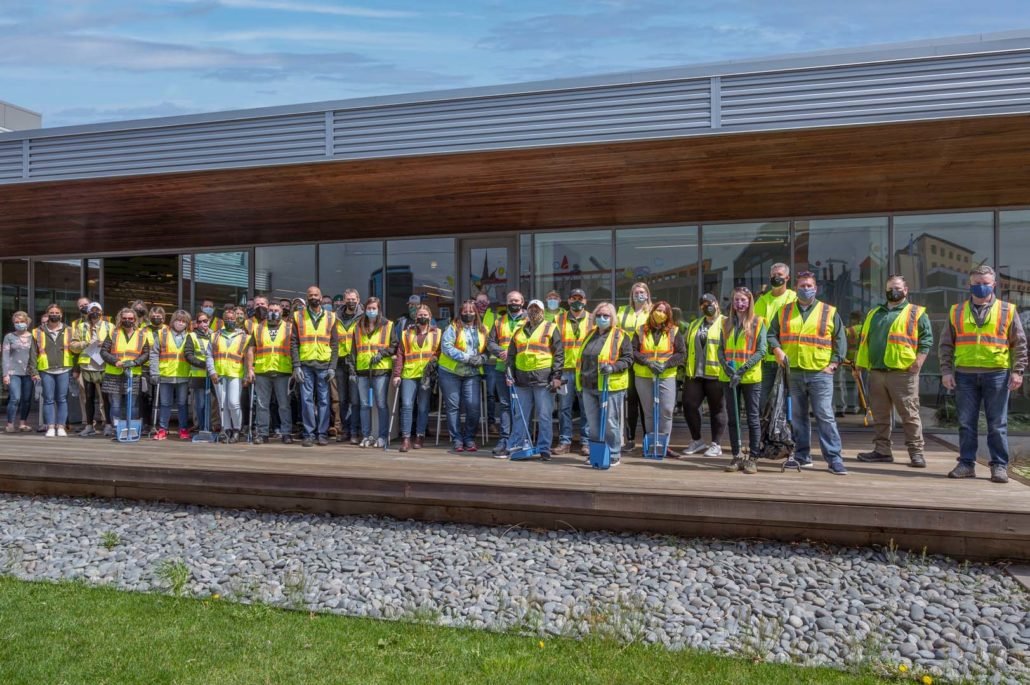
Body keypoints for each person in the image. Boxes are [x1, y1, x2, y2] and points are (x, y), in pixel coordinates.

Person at [940, 265, 1027, 483]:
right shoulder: (956, 311)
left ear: (994, 284)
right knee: (966, 423)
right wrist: (946, 371)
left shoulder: (1007, 310)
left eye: (986, 283)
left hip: (996, 374)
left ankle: (999, 466)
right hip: (964, 375)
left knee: (997, 424)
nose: (981, 287)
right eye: (977, 283)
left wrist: (1017, 371)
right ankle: (966, 464)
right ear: (969, 284)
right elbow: (946, 345)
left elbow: (1020, 344)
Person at [768, 271, 848, 475]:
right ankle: (802, 456)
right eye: (802, 285)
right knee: (797, 417)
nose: (806, 289)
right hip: (793, 372)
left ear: (816, 288)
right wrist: (776, 348)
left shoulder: (828, 311)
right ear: (796, 288)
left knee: (825, 416)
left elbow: (840, 339)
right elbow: (770, 334)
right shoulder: (784, 311)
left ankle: (834, 459)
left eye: (809, 285)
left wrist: (834, 364)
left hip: (820, 373)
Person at [853, 275, 933, 468]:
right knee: (880, 415)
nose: (892, 291)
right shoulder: (874, 313)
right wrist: (859, 364)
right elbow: (864, 341)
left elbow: (927, 340)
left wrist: (918, 363)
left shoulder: (916, 313)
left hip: (903, 372)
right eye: (889, 288)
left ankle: (916, 453)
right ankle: (882, 451)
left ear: (905, 290)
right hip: (877, 372)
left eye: (897, 288)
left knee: (909, 414)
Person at [505, 299, 563, 460]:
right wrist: (509, 372)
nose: (533, 311)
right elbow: (511, 354)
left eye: (537, 309)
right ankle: (518, 444)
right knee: (521, 415)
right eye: (531, 308)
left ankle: (544, 448)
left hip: (543, 379)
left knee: (544, 415)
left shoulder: (551, 328)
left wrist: (556, 376)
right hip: (522, 378)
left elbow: (559, 353)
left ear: (543, 312)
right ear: (527, 311)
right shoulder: (519, 330)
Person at [576, 302, 632, 467]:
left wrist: (613, 367)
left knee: (610, 422)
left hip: (610, 386)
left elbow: (628, 358)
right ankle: (596, 452)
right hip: (588, 384)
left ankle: (613, 454)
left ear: (612, 318)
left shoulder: (621, 336)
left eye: (606, 316)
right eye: (599, 315)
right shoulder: (589, 334)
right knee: (593, 424)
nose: (602, 318)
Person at [718, 287, 767, 473]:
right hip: (729, 377)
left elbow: (762, 350)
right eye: (737, 300)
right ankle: (736, 455)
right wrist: (727, 368)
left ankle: (753, 457)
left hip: (750, 377)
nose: (740, 303)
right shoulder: (725, 323)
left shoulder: (758, 322)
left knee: (753, 418)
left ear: (750, 302)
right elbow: (720, 349)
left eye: (743, 300)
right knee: (733, 418)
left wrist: (743, 369)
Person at [631, 300, 685, 456]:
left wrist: (666, 365)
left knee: (667, 410)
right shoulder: (640, 330)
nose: (660, 313)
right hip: (644, 375)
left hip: (666, 375)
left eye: (664, 311)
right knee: (649, 412)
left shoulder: (674, 331)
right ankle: (652, 444)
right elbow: (633, 351)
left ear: (668, 315)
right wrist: (647, 362)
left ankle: (664, 445)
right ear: (652, 311)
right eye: (658, 310)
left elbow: (681, 353)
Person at [291, 286, 339, 447]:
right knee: (306, 400)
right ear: (307, 297)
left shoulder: (331, 317)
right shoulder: (298, 316)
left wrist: (332, 366)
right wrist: (296, 366)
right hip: (305, 365)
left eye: (316, 295)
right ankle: (309, 434)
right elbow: (294, 343)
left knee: (324, 400)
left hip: (324, 365)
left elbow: (334, 344)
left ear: (321, 296)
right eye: (310, 295)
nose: (313, 297)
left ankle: (322, 433)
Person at [681, 293, 727, 458]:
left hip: (716, 373)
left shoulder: (726, 322)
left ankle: (716, 444)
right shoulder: (694, 324)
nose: (707, 306)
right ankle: (697, 440)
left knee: (717, 409)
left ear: (717, 303)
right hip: (695, 373)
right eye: (703, 304)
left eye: (710, 302)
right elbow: (686, 345)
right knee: (688, 404)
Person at [439, 299, 488, 452]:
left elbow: (489, 347)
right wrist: (467, 358)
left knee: (473, 407)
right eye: (465, 311)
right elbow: (446, 347)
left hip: (472, 373)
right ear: (460, 312)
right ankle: (457, 439)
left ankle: (469, 438)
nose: (468, 314)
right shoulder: (452, 327)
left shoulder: (483, 329)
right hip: (450, 372)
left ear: (476, 313)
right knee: (453, 407)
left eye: (471, 311)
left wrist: (483, 358)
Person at [391, 304, 440, 452]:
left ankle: (420, 435)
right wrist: (397, 375)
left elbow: (439, 352)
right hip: (409, 374)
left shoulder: (437, 333)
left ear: (430, 317)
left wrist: (433, 362)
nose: (422, 317)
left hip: (426, 375)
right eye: (420, 315)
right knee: (406, 405)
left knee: (423, 407)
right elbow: (400, 354)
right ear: (415, 316)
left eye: (425, 315)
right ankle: (406, 438)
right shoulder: (407, 333)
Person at [246, 300, 294, 444]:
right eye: (271, 310)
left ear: (281, 312)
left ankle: (286, 433)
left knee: (284, 405)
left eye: (276, 310)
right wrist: (250, 369)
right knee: (262, 405)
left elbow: (294, 350)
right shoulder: (258, 328)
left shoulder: (289, 328)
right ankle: (262, 433)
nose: (273, 313)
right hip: (263, 371)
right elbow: (250, 350)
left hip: (283, 371)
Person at [349, 296, 394, 448]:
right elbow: (353, 350)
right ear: (365, 309)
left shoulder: (388, 325)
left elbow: (394, 345)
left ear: (379, 309)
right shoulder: (357, 326)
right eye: (369, 308)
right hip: (362, 371)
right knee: (364, 405)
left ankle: (382, 436)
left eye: (374, 308)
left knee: (381, 404)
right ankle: (366, 435)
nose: (371, 311)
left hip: (380, 370)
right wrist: (352, 370)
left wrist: (382, 353)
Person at [487, 290, 527, 457]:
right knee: (504, 405)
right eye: (511, 300)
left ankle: (519, 439)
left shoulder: (529, 320)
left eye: (516, 300)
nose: (514, 303)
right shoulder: (499, 321)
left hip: (521, 369)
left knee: (520, 406)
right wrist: (501, 352)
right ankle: (504, 439)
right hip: (501, 368)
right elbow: (490, 342)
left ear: (522, 302)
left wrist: (512, 354)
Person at [100, 308, 150, 440]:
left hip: (133, 373)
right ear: (120, 319)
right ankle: (117, 428)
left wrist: (135, 362)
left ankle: (131, 427)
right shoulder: (113, 333)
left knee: (132, 404)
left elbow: (146, 354)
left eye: (130, 318)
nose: (127, 321)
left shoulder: (141, 335)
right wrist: (115, 361)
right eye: (125, 318)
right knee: (115, 404)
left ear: (135, 320)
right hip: (114, 372)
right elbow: (104, 351)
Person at [754, 263, 797, 410]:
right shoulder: (762, 301)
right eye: (773, 275)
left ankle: (786, 433)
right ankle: (766, 432)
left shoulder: (794, 298)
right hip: (767, 360)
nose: (776, 277)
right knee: (764, 402)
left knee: (788, 402)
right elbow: (757, 329)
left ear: (787, 278)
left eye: (779, 275)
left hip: (788, 359)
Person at [555, 289, 591, 456]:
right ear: (568, 301)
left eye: (580, 298)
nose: (577, 301)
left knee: (587, 408)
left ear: (585, 301)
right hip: (564, 371)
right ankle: (564, 441)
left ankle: (586, 442)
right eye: (573, 298)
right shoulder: (558, 319)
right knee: (564, 408)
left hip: (585, 372)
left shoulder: (593, 319)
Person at [31, 304, 75, 438]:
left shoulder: (69, 330)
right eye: (52, 312)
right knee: (48, 399)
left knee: (62, 399)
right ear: (47, 314)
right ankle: (50, 426)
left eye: (57, 312)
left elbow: (77, 351)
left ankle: (61, 426)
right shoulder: (37, 331)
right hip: (46, 369)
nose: (54, 314)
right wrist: (34, 371)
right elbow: (33, 353)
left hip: (64, 368)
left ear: (61, 315)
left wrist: (76, 369)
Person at [617, 282, 651, 450]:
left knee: (646, 402)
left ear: (647, 294)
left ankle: (647, 437)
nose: (639, 295)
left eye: (642, 292)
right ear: (631, 295)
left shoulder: (652, 312)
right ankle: (630, 439)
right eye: (636, 292)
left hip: (645, 360)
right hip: (627, 359)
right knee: (631, 402)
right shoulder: (623, 311)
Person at [149, 309, 193, 440]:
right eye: (178, 320)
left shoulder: (190, 336)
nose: (180, 323)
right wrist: (154, 372)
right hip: (165, 374)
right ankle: (163, 429)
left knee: (182, 403)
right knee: (165, 403)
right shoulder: (162, 334)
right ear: (172, 321)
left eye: (184, 321)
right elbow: (154, 354)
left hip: (183, 375)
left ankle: (183, 429)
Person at [70, 302, 112, 436]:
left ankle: (108, 424)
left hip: (103, 365)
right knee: (89, 397)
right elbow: (73, 346)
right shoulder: (81, 327)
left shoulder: (109, 326)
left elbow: (116, 344)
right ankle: (89, 425)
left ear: (101, 312)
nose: (95, 313)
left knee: (105, 398)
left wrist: (103, 344)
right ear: (88, 313)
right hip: (87, 366)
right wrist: (86, 344)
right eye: (92, 310)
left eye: (97, 310)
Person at [207, 307, 248, 443]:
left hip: (236, 373)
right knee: (222, 404)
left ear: (236, 320)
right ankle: (226, 429)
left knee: (233, 403)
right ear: (223, 320)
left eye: (232, 319)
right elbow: (209, 355)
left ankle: (237, 429)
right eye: (227, 319)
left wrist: (247, 374)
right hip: (219, 374)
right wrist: (212, 371)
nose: (230, 321)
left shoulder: (244, 336)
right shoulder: (214, 336)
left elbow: (247, 358)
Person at [334, 289, 362, 443]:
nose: (351, 301)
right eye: (348, 299)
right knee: (343, 399)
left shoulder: (363, 317)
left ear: (358, 300)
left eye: (353, 299)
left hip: (356, 363)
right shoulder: (335, 317)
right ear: (344, 300)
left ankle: (354, 431)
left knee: (355, 399)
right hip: (339, 362)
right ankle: (345, 429)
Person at [3, 311, 35, 433]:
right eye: (16, 322)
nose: (19, 324)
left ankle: (23, 423)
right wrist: (5, 374)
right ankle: (10, 423)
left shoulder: (33, 337)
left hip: (28, 372)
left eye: (22, 321)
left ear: (27, 322)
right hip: (13, 372)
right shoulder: (9, 337)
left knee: (26, 399)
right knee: (15, 398)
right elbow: (5, 356)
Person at [184, 310, 214, 434]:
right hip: (198, 375)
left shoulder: (215, 335)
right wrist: (203, 365)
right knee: (200, 405)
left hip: (212, 375)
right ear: (196, 323)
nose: (203, 324)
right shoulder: (192, 336)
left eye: (205, 321)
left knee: (212, 406)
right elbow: (188, 355)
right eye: (200, 321)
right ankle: (202, 428)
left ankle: (211, 427)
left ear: (209, 321)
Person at [475, 293, 498, 432]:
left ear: (489, 302)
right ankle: (475, 422)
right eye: (479, 301)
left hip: (490, 361)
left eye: (484, 301)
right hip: (475, 361)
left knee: (490, 394)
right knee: (474, 395)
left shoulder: (494, 316)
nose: (482, 303)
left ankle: (490, 422)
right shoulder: (470, 315)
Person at [71, 296, 93, 431]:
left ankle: (105, 421)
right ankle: (87, 421)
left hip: (102, 365)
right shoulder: (75, 324)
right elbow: (73, 348)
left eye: (86, 304)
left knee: (103, 395)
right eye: (81, 305)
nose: (84, 307)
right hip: (83, 364)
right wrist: (75, 368)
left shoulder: (106, 321)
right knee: (84, 395)